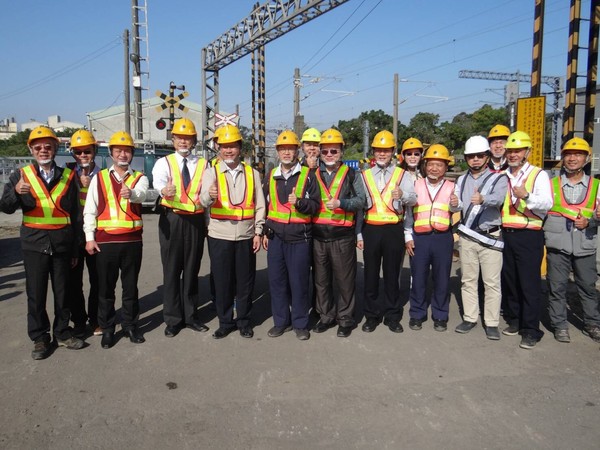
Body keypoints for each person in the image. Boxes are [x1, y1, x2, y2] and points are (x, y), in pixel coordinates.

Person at [0, 126, 84, 359]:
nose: (43, 150)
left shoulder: (68, 176)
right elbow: (5, 207)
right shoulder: (20, 175)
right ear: (31, 149)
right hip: (34, 244)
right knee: (36, 294)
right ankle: (39, 338)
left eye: (48, 146)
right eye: (38, 147)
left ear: (56, 148)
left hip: (62, 243)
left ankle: (62, 333)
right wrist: (15, 192)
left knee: (63, 292)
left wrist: (76, 246)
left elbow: (76, 214)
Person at [83, 131, 148, 349]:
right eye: (118, 150)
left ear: (132, 154)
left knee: (130, 287)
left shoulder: (139, 177)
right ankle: (108, 329)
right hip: (106, 242)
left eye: (127, 150)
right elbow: (89, 210)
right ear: (111, 153)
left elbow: (142, 194)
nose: (123, 154)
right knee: (105, 289)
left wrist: (132, 194)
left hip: (131, 242)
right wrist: (89, 238)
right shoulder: (99, 178)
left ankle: (130, 325)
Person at [200, 124, 266, 339]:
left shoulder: (252, 173)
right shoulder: (211, 172)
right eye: (224, 147)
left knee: (245, 282)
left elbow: (260, 205)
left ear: (240, 147)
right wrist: (210, 195)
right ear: (218, 148)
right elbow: (202, 201)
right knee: (222, 281)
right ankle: (225, 321)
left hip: (246, 236)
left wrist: (258, 232)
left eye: (233, 146)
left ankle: (244, 321)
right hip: (219, 235)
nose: (228, 151)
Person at [152, 118, 210, 338]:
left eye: (188, 138)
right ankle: (173, 319)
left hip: (195, 221)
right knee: (172, 270)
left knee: (192, 270)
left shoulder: (204, 164)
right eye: (180, 138)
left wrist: (207, 222)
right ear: (173, 139)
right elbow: (158, 183)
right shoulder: (163, 162)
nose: (184, 142)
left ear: (194, 140)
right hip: (172, 220)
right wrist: (163, 190)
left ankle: (191, 316)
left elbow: (206, 193)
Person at [262, 130, 320, 341]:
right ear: (277, 152)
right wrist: (265, 230)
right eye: (282, 149)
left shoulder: (308, 175)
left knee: (299, 283)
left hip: (299, 237)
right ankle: (281, 322)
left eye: (291, 149)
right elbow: (267, 206)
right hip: (276, 237)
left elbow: (316, 206)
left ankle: (300, 323)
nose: (287, 152)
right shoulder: (270, 175)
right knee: (277, 282)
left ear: (297, 151)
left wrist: (301, 203)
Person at [358, 130, 416, 334]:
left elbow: (414, 199)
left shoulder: (402, 174)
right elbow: (359, 207)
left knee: (392, 275)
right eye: (378, 150)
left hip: (394, 229)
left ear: (393, 152)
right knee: (371, 275)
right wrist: (359, 234)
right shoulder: (364, 176)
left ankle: (392, 315)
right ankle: (371, 316)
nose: (382, 154)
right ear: (373, 152)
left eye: (386, 150)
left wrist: (404, 194)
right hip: (371, 229)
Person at [544, 137, 600, 344]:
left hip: (585, 245)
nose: (572, 158)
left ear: (586, 159)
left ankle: (592, 324)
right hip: (558, 245)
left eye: (577, 154)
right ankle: (560, 325)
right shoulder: (551, 185)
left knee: (587, 287)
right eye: (568, 154)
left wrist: (592, 221)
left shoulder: (596, 186)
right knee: (556, 286)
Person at [311, 129, 366, 338]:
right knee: (321, 281)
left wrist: (341, 203)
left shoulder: (352, 174)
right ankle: (325, 316)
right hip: (318, 236)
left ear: (342, 151)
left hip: (342, 236)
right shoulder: (312, 174)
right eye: (325, 152)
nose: (329, 155)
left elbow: (362, 201)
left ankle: (345, 319)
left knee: (344, 281)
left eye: (334, 151)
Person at [501, 131, 552, 349]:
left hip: (529, 235)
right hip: (507, 234)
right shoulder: (503, 175)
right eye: (510, 151)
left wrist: (527, 196)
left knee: (529, 284)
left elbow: (547, 203)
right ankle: (515, 320)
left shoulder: (538, 175)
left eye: (517, 151)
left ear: (527, 152)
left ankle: (531, 329)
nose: (513, 155)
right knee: (510, 281)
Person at [454, 136, 508, 340]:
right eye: (471, 156)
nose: (475, 159)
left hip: (489, 237)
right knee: (468, 280)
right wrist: (453, 204)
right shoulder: (461, 179)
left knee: (491, 282)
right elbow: (457, 205)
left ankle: (492, 322)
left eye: (479, 156)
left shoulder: (499, 178)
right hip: (468, 237)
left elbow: (500, 198)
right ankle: (470, 317)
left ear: (487, 157)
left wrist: (484, 198)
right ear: (466, 158)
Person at [405, 144, 460, 332]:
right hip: (420, 238)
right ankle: (417, 314)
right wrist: (407, 236)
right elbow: (409, 214)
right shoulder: (416, 185)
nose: (434, 168)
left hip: (443, 238)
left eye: (439, 165)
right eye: (431, 164)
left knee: (442, 279)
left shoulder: (453, 187)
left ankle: (440, 315)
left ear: (446, 167)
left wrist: (455, 204)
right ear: (425, 165)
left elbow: (457, 209)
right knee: (418, 278)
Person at [66, 129, 101, 338]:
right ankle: (79, 320)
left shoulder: (104, 175)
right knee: (73, 283)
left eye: (86, 151)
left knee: (98, 280)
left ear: (94, 150)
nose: (82, 156)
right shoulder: (67, 175)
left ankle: (96, 319)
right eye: (78, 152)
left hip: (97, 235)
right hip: (73, 237)